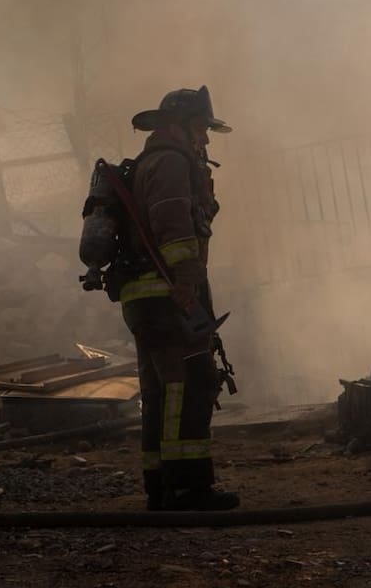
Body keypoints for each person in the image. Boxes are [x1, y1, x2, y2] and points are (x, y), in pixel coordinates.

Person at [119, 86, 238, 511]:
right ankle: (188, 488)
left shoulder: (153, 162)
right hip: (169, 295)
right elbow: (174, 227)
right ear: (179, 126)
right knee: (188, 387)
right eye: (201, 129)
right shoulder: (170, 163)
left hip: (148, 295)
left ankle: (161, 486)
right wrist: (188, 287)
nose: (205, 139)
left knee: (160, 392)